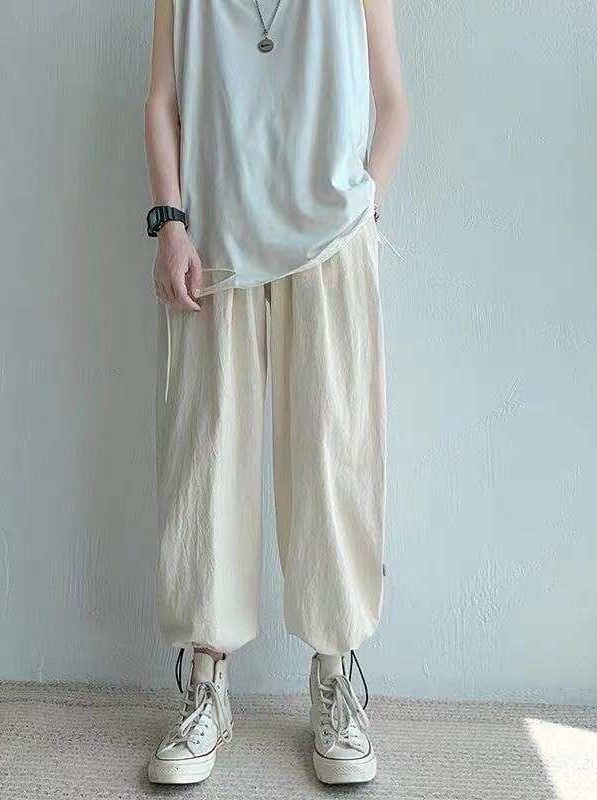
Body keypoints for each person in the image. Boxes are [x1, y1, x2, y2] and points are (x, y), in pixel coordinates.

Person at [144, 0, 408, 785]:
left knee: (333, 453)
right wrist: (169, 222)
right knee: (206, 459)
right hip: (213, 241)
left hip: (331, 241)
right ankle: (207, 687)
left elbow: (393, 99)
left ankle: (335, 678)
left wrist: (363, 206)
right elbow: (162, 98)